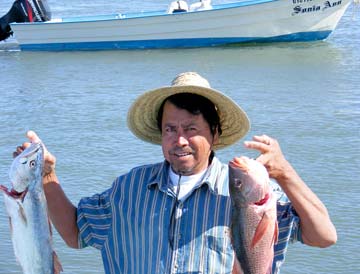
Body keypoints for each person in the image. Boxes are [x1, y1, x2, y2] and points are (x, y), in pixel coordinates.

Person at [16, 72, 337, 274]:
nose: (179, 140)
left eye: (191, 129)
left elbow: (323, 236)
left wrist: (285, 173)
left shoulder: (249, 192)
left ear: (214, 134)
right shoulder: (128, 188)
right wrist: (46, 176)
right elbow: (74, 232)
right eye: (170, 129)